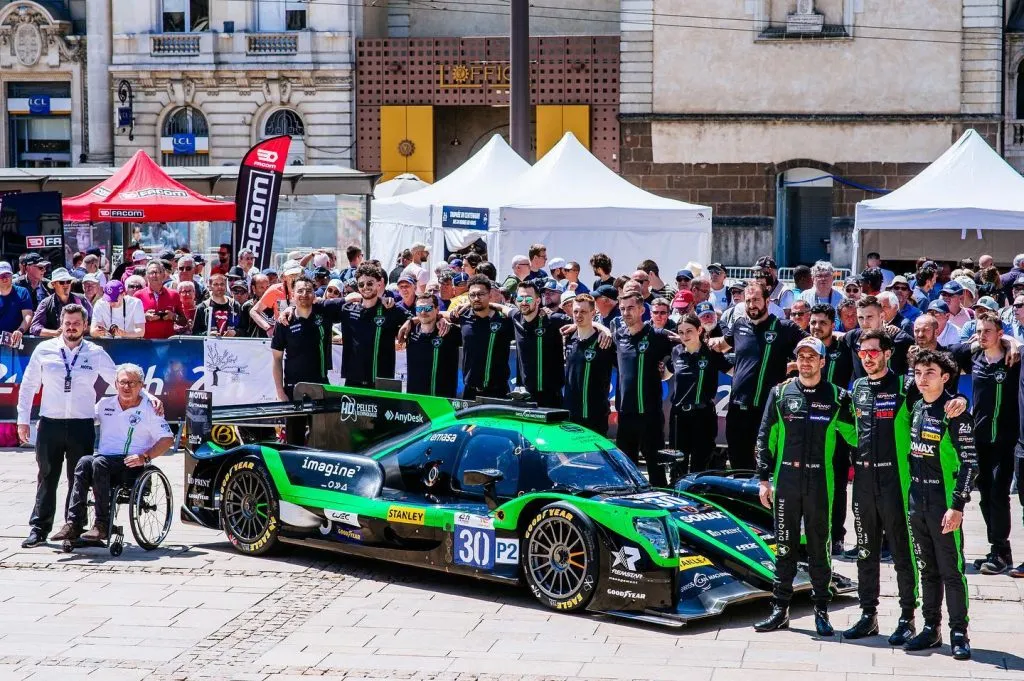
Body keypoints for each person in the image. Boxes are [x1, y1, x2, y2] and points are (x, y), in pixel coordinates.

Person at [841, 330, 966, 645]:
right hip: (864, 483)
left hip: (898, 483)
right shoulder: (856, 389)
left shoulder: (905, 386)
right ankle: (868, 615)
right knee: (866, 552)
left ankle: (907, 618)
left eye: (873, 351)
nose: (867, 357)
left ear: (886, 353)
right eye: (862, 352)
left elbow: (937, 397)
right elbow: (848, 430)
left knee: (903, 553)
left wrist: (961, 400)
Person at [16, 305, 160, 548]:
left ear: (85, 325)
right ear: (61, 323)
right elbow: (29, 386)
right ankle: (39, 529)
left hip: (82, 424)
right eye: (68, 323)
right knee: (47, 476)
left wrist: (148, 397)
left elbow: (119, 379)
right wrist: (22, 419)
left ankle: (76, 528)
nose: (72, 327)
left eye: (77, 323)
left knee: (79, 478)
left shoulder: (95, 352)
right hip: (50, 423)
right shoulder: (45, 349)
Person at [753, 336, 857, 635]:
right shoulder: (781, 392)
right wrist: (763, 479)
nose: (807, 361)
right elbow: (764, 439)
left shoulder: (838, 397)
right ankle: (780, 609)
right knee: (784, 546)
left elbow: (856, 438)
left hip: (820, 484)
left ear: (823, 361)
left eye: (813, 356)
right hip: (786, 481)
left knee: (819, 549)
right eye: (802, 356)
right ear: (796, 360)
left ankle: (821, 610)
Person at [902, 350, 976, 660]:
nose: (922, 378)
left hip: (944, 505)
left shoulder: (955, 412)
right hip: (917, 502)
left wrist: (957, 505)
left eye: (929, 372)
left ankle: (959, 633)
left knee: (951, 571)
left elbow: (971, 463)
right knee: (927, 570)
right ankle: (930, 629)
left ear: (945, 377)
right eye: (918, 372)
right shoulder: (917, 406)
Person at [54, 364, 173, 542]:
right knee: (85, 461)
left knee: (97, 462)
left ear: (141, 386)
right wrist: (53, 422)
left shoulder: (151, 409)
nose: (127, 387)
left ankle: (101, 524)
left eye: (132, 383)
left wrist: (145, 457)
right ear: (116, 384)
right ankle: (74, 523)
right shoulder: (104, 404)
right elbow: (81, 418)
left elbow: (167, 439)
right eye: (123, 382)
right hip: (104, 462)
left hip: (132, 465)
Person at [948, 313, 1020, 575]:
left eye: (988, 331)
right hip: (980, 439)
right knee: (985, 497)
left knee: (999, 495)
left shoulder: (1014, 359)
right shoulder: (975, 357)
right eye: (979, 331)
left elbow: (1017, 343)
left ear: (1000, 333)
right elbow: (949, 353)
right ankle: (997, 550)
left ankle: (1002, 551)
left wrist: (1012, 342)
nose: (983, 335)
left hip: (1006, 439)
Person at [709, 282, 806, 470]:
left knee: (769, 464)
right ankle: (741, 497)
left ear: (768, 301)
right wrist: (706, 338)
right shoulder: (739, 325)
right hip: (738, 407)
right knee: (739, 462)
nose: (752, 305)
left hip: (768, 409)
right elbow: (722, 345)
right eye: (748, 301)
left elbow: (811, 346)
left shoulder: (784, 328)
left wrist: (794, 366)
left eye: (756, 300)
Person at [614, 291, 678, 487]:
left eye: (631, 308)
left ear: (642, 309)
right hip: (626, 415)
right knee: (626, 472)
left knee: (656, 472)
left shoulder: (657, 335)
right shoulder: (618, 336)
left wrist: (667, 371)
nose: (626, 313)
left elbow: (684, 348)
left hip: (650, 415)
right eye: (623, 308)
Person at [806, 304, 855, 554]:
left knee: (836, 484)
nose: (816, 327)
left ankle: (836, 535)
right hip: (807, 427)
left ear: (832, 325)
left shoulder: (843, 347)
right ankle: (810, 533)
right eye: (813, 322)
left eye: (822, 322)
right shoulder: (803, 349)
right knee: (808, 482)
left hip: (836, 428)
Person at [271, 278, 340, 444]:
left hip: (321, 385)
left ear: (314, 294)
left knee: (322, 439)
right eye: (300, 291)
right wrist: (280, 392)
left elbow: (351, 298)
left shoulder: (323, 313)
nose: (304, 294)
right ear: (293, 294)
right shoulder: (284, 322)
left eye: (309, 290)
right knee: (294, 440)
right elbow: (276, 359)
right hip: (294, 389)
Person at [666, 313, 730, 473]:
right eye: (681, 332)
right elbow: (665, 375)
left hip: (703, 415)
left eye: (689, 331)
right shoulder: (676, 352)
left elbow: (734, 371)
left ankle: (697, 497)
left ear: (699, 330)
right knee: (677, 466)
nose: (685, 336)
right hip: (679, 416)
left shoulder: (711, 352)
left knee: (700, 466)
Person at [331, 263, 411, 388]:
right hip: (353, 381)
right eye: (361, 284)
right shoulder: (347, 309)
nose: (365, 287)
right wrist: (290, 309)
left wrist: (409, 322)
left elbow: (419, 318)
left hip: (382, 381)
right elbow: (319, 307)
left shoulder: (389, 308)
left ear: (379, 284)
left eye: (370, 283)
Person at [443, 275, 515, 400]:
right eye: (472, 295)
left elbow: (522, 317)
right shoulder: (463, 317)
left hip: (498, 392)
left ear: (489, 295)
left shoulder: (504, 321)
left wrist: (496, 306)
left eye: (481, 294)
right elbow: (437, 314)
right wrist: (413, 321)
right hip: (470, 392)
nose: (476, 298)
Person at [504, 280, 573, 407]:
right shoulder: (516, 317)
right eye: (520, 298)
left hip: (551, 397)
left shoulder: (553, 319)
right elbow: (503, 308)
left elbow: (583, 323)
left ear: (538, 301)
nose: (524, 302)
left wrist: (604, 330)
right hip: (525, 396)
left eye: (529, 299)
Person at [563, 293, 616, 435]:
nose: (578, 315)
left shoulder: (604, 342)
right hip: (571, 414)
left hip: (596, 415)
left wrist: (605, 330)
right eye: (575, 311)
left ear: (593, 313)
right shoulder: (568, 338)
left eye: (583, 312)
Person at [403, 292, 461, 398]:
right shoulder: (409, 331)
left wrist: (442, 317)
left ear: (437, 309)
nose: (423, 312)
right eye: (419, 309)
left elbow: (470, 322)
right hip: (415, 401)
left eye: (428, 308)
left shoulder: (450, 331)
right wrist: (410, 321)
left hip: (443, 400)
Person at [30, 268, 92, 337]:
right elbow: (34, 327)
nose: (66, 285)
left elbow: (92, 324)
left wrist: (76, 330)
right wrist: (55, 333)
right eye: (61, 282)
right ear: (53, 285)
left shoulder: (82, 300)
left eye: (68, 281)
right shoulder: (46, 303)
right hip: (55, 345)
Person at [135, 261, 186, 340]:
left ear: (163, 275)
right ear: (147, 276)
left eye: (158, 272)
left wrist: (173, 316)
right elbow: (130, 320)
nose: (154, 275)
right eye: (152, 272)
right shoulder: (138, 295)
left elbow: (183, 321)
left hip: (168, 344)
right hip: (145, 344)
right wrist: (144, 317)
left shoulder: (174, 295)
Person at [250, 260, 303, 336]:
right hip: (282, 334)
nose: (295, 278)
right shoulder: (275, 290)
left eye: (297, 274)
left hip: (301, 334)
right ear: (284, 277)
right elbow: (254, 311)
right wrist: (268, 328)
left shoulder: (306, 289)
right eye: (291, 275)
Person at [0, 261, 32, 345]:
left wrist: (20, 330)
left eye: (7, 275)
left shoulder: (22, 292)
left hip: (18, 341)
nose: (4, 278)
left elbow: (28, 315)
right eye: (1, 276)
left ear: (11, 276)